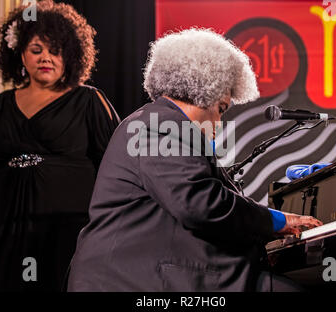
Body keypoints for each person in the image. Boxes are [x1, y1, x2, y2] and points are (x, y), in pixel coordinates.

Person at [67, 28, 321, 292]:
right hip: (133, 282)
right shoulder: (160, 125)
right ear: (203, 90)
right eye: (221, 109)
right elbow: (201, 204)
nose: (220, 122)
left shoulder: (156, 122)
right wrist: (275, 221)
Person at [0, 0, 120, 291]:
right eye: (36, 50)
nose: (45, 58)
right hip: (10, 228)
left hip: (71, 229)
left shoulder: (89, 100)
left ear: (71, 55)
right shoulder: (0, 106)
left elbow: (115, 170)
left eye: (55, 50)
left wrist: (109, 230)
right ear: (20, 55)